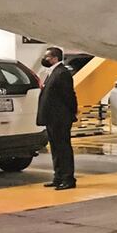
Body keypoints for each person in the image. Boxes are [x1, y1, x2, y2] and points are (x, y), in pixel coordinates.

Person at [37, 47, 77, 190]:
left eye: (47, 57)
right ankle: (58, 176)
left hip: (60, 118)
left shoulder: (62, 73)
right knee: (55, 148)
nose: (45, 59)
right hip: (52, 117)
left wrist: (70, 113)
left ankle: (68, 179)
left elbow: (69, 96)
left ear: (54, 58)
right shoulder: (53, 72)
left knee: (63, 148)